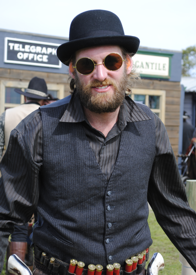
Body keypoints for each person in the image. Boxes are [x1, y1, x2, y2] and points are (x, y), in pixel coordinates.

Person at [1, 9, 196, 275]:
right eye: (87, 65)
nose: (100, 74)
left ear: (127, 63)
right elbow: (4, 216)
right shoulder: (36, 129)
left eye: (111, 61)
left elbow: (176, 213)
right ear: (73, 69)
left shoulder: (151, 126)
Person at [0, 76, 50, 271]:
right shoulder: (48, 116)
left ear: (25, 98)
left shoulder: (7, 115)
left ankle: (13, 267)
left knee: (10, 224)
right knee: (34, 224)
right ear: (43, 100)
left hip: (10, 179)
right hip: (41, 181)